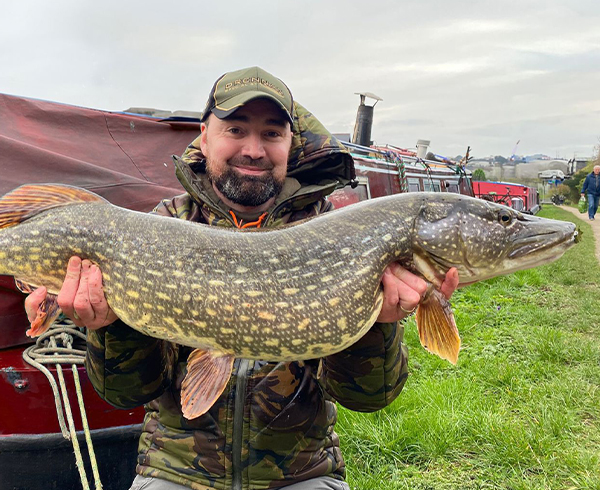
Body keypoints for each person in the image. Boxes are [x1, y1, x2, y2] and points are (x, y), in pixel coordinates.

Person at [25, 67, 459, 490]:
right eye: (235, 129)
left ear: (291, 142)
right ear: (205, 134)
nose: (254, 149)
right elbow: (126, 393)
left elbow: (368, 399)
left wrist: (378, 324)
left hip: (300, 474)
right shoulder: (165, 223)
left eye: (272, 133)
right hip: (175, 470)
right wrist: (111, 326)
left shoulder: (333, 232)